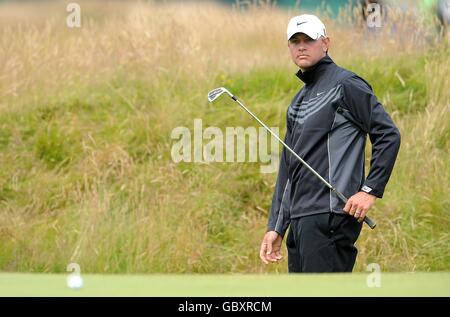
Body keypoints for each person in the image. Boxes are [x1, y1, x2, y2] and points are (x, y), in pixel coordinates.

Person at [259, 14, 401, 272]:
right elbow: (288, 170)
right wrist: (276, 227)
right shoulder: (297, 102)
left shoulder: (346, 84)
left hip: (332, 217)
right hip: (301, 220)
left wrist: (370, 190)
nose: (301, 46)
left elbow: (388, 134)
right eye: (295, 41)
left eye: (309, 40)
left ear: (325, 43)